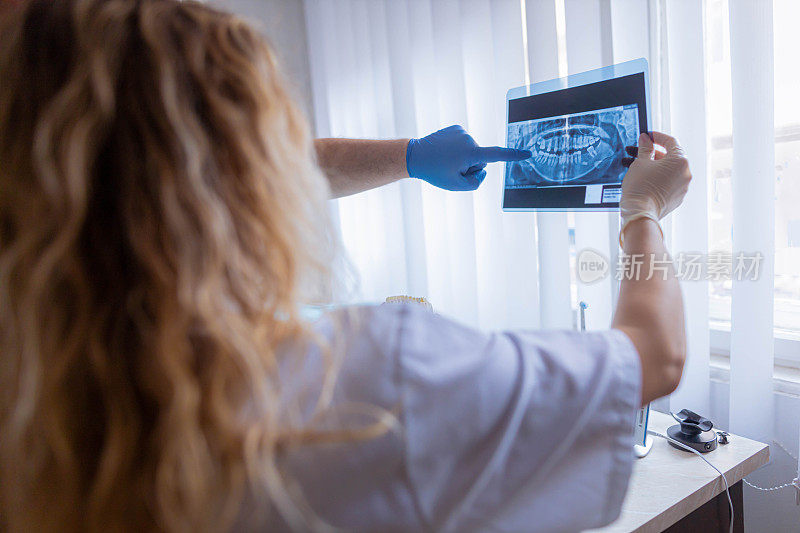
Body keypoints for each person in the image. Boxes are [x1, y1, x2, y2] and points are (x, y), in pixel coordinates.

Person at [0, 1, 690, 532]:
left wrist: (411, 155)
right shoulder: (362, 382)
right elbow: (651, 358)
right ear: (243, 172)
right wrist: (642, 215)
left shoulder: (36, 385)